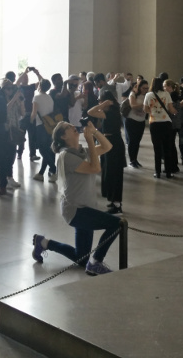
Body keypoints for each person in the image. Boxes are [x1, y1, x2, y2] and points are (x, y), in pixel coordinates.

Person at [31, 120, 121, 276]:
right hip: (76, 210)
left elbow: (107, 147)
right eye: (68, 127)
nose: (73, 127)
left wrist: (94, 132)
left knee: (81, 258)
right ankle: (96, 262)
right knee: (117, 224)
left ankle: (43, 242)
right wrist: (90, 141)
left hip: (86, 207)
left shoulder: (81, 151)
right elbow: (95, 168)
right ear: (63, 136)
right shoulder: (66, 156)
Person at [88, 90, 126, 214]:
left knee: (114, 172)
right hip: (108, 142)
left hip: (113, 143)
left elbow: (91, 112)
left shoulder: (111, 112)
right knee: (108, 171)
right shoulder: (109, 112)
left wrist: (102, 104)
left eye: (101, 100)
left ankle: (117, 203)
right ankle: (112, 199)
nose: (99, 102)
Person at [144, 77, 178, 178]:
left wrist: (153, 111)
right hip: (166, 123)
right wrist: (176, 113)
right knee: (167, 148)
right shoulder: (166, 94)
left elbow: (145, 109)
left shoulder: (148, 95)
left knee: (157, 148)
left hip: (154, 123)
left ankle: (157, 172)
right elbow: (171, 109)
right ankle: (168, 172)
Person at [32, 79, 57, 182]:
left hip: (41, 126)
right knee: (49, 150)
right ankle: (41, 173)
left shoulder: (36, 97)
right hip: (50, 126)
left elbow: (34, 113)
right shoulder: (50, 98)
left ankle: (54, 169)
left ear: (40, 86)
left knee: (43, 150)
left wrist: (29, 121)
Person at [124, 79, 149, 168]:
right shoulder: (133, 94)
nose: (145, 90)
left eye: (147, 88)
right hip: (131, 120)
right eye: (143, 88)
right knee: (132, 141)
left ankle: (135, 159)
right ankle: (131, 160)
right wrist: (144, 105)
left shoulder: (147, 95)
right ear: (139, 87)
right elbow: (133, 105)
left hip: (141, 121)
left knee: (137, 141)